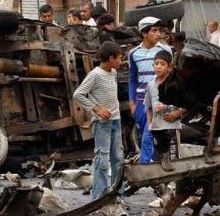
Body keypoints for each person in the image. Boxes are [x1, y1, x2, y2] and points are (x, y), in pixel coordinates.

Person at [73, 41, 124, 200]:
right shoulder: (95, 75)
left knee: (118, 158)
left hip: (116, 121)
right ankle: (99, 197)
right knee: (102, 159)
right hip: (103, 124)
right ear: (111, 58)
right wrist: (96, 109)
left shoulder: (113, 73)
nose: (121, 62)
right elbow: (78, 94)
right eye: (119, 58)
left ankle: (117, 193)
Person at [129, 16, 171, 164]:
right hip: (140, 102)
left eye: (159, 30)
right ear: (144, 33)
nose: (158, 34)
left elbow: (171, 76)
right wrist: (131, 102)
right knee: (145, 135)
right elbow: (133, 79)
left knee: (148, 134)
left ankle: (144, 165)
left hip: (158, 101)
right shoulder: (134, 53)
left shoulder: (165, 50)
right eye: (154, 31)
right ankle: (158, 172)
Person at [144, 50, 186, 171]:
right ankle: (163, 188)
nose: (158, 66)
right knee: (159, 158)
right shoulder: (151, 85)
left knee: (173, 158)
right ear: (153, 65)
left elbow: (185, 104)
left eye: (162, 64)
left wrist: (177, 112)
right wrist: (150, 124)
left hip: (171, 127)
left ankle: (174, 186)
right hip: (157, 127)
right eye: (156, 63)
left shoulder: (176, 84)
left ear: (169, 66)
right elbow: (149, 107)